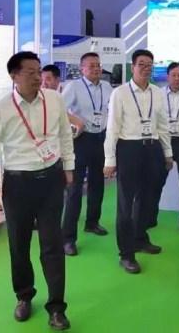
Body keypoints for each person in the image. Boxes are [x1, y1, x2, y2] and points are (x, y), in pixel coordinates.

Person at [0, 51, 74, 330]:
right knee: (19, 245)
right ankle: (24, 296)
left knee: (52, 245)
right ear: (14, 76)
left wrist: (68, 167)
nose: (37, 77)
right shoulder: (1, 108)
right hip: (17, 184)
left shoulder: (54, 99)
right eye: (30, 72)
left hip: (51, 180)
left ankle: (56, 308)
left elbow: (64, 134)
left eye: (39, 71)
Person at [103, 48, 173, 274]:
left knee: (147, 199)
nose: (146, 68)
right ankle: (126, 254)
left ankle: (141, 238)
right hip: (129, 149)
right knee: (126, 203)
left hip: (152, 148)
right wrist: (110, 159)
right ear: (132, 67)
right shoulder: (120, 93)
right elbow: (112, 128)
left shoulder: (157, 93)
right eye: (141, 64)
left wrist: (167, 153)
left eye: (149, 65)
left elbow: (163, 125)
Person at [61, 52, 113, 256]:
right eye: (91, 65)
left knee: (97, 184)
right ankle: (68, 239)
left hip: (101, 139)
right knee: (75, 190)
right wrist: (77, 121)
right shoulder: (74, 87)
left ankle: (92, 223)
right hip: (81, 141)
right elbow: (59, 109)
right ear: (82, 69)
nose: (96, 68)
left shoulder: (107, 87)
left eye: (98, 65)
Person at [150, 62, 179, 235]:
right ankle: (150, 217)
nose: (177, 79)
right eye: (174, 75)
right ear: (167, 77)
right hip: (164, 141)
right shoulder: (158, 95)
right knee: (156, 180)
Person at [42, 64, 85, 136]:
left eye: (48, 79)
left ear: (57, 80)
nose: (44, 84)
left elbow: (79, 124)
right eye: (41, 80)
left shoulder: (60, 97)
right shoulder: (37, 97)